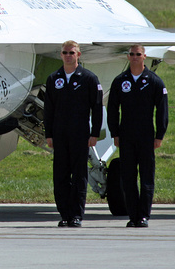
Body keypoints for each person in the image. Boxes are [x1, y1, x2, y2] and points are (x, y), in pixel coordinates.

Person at [107, 44, 169, 228]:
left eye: (138, 54)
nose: (135, 57)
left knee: (146, 177)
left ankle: (143, 215)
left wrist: (159, 135)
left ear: (145, 57)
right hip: (126, 136)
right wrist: (115, 133)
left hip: (146, 136)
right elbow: (112, 109)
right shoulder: (120, 81)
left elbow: (162, 110)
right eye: (132, 54)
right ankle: (132, 215)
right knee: (128, 177)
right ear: (128, 57)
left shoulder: (154, 81)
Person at [43, 40, 103, 228]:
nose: (68, 55)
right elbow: (48, 109)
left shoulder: (89, 78)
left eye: (72, 52)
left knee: (79, 176)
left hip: (80, 135)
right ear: (60, 55)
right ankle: (64, 214)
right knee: (60, 176)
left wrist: (94, 133)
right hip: (60, 135)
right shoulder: (54, 79)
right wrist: (49, 134)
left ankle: (76, 214)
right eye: (65, 52)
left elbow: (97, 108)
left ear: (79, 55)